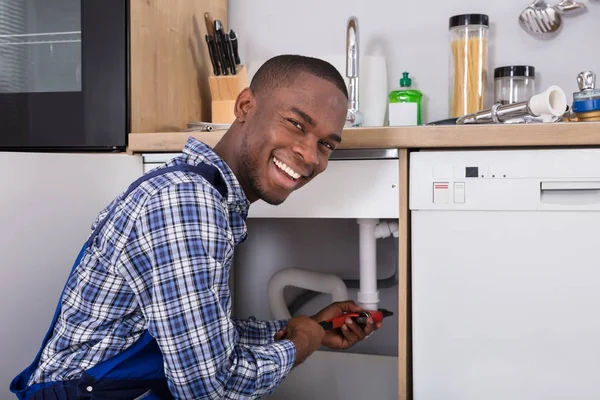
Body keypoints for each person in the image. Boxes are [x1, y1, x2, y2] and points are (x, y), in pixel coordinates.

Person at [10, 54, 384, 400]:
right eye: (296, 124)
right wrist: (299, 343)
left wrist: (311, 329)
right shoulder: (187, 203)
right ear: (245, 106)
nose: (309, 154)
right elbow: (209, 390)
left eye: (327, 145)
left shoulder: (202, 193)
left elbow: (196, 337)